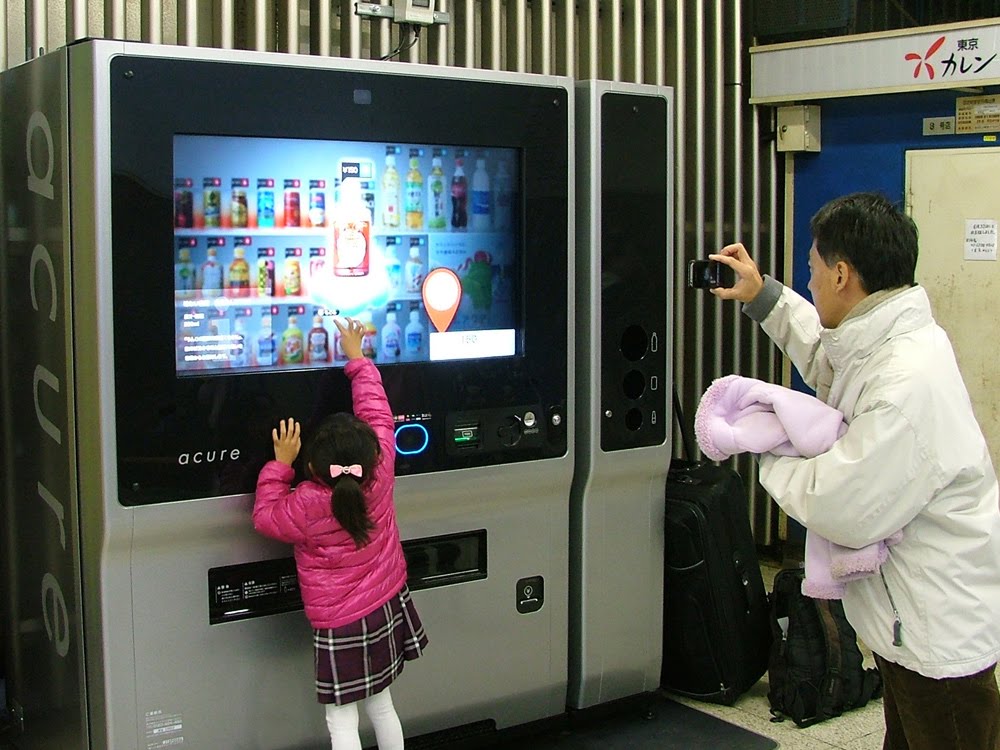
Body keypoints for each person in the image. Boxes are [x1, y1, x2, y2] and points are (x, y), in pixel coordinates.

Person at [710, 192, 1000, 749]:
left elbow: (841, 505)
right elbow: (830, 357)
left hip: (938, 634)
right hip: (911, 624)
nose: (811, 282)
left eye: (814, 271)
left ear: (842, 274)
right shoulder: (886, 337)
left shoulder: (905, 383)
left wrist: (767, 443)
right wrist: (764, 295)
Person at [253, 317, 428, 750]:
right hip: (385, 605)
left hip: (339, 625)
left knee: (341, 720)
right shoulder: (382, 471)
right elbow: (378, 413)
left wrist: (279, 464)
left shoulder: (308, 502)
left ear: (311, 469)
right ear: (372, 454)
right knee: (383, 706)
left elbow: (265, 518)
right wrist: (357, 358)